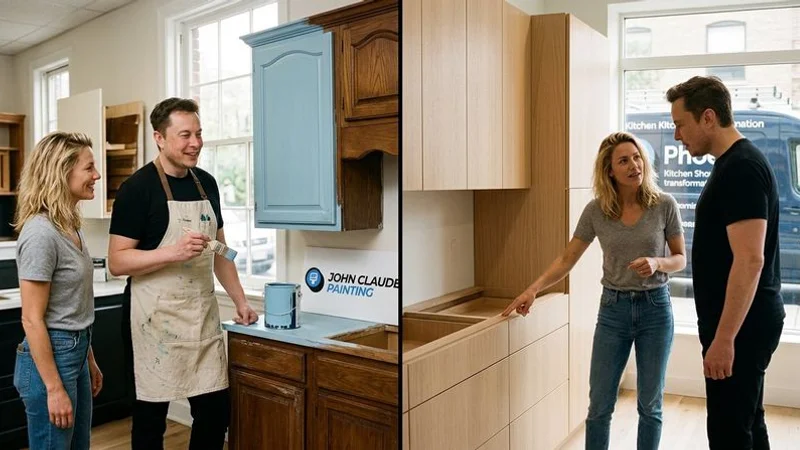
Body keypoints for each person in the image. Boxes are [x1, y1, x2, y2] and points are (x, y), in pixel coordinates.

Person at [502, 131, 686, 450]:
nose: (634, 165)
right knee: (599, 405)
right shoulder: (597, 210)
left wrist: (658, 262)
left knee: (650, 405)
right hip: (613, 311)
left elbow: (680, 259)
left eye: (637, 157)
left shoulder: (664, 205)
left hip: (655, 310)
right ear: (609, 170)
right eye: (624, 160)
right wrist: (532, 289)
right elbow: (567, 258)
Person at [107, 97, 258, 450]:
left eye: (199, 134)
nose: (196, 143)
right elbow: (117, 262)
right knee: (150, 421)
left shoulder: (207, 184)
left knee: (215, 413)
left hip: (200, 317)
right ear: (159, 138)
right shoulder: (136, 190)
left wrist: (241, 301)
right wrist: (172, 252)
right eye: (185, 135)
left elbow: (220, 250)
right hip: (154, 322)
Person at [666, 75, 786, 450]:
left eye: (679, 124)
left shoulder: (741, 169)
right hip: (744, 323)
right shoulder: (733, 163)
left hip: (742, 327)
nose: (676, 136)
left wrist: (724, 339)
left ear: (707, 117)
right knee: (748, 421)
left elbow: (750, 260)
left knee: (729, 432)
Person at [12, 131, 103, 449]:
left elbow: (71, 307)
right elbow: (32, 320)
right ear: (62, 172)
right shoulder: (41, 233)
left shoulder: (70, 225)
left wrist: (88, 360)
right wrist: (53, 387)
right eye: (89, 167)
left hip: (75, 353)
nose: (97, 175)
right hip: (50, 360)